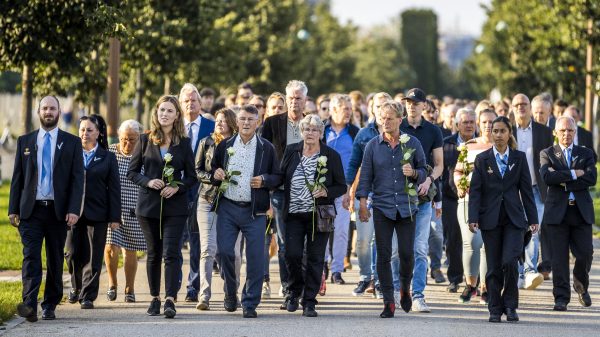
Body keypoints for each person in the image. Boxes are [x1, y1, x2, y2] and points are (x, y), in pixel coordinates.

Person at [9, 95, 84, 322]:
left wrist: (73, 209)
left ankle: (50, 303)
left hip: (57, 211)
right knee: (30, 257)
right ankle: (30, 304)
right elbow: (17, 178)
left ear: (59, 112)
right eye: (45, 108)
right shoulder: (25, 141)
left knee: (54, 259)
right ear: (38, 112)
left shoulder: (71, 142)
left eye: (52, 108)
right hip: (30, 211)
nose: (48, 112)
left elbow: (77, 179)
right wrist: (13, 209)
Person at [128, 95, 196, 318]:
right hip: (148, 207)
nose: (164, 114)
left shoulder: (184, 143)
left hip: (175, 207)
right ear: (156, 114)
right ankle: (155, 297)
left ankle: (170, 299)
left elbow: (192, 177)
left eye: (169, 111)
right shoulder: (145, 139)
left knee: (171, 253)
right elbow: (132, 172)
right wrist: (148, 181)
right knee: (154, 253)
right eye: (161, 110)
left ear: (177, 115)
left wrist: (177, 187)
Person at [211, 104, 282, 318]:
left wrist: (264, 180)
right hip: (228, 207)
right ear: (237, 121)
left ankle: (250, 303)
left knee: (255, 258)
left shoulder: (266, 148)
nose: (246, 122)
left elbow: (277, 177)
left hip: (254, 211)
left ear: (258, 122)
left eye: (251, 119)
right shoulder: (225, 145)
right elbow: (213, 168)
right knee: (223, 252)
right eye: (242, 118)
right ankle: (230, 292)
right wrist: (217, 173)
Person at [357, 101, 427, 318]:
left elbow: (425, 170)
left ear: (400, 119)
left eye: (389, 118)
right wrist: (361, 203)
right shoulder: (372, 146)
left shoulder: (412, 143)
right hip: (382, 207)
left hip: (407, 207)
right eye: (382, 118)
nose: (385, 122)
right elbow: (366, 176)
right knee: (383, 255)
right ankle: (388, 301)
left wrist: (414, 173)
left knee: (407, 254)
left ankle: (405, 288)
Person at [468, 116, 538, 323]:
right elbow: (476, 192)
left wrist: (532, 218)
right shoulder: (482, 159)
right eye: (495, 131)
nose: (498, 135)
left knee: (510, 262)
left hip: (514, 220)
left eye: (502, 131)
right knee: (494, 266)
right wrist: (473, 217)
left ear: (509, 134)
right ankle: (494, 308)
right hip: (490, 219)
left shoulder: (519, 158)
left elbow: (526, 191)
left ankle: (511, 305)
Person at [280, 114, 346, 317]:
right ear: (301, 132)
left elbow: (341, 185)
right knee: (292, 255)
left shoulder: (330, 155)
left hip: (319, 215)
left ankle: (309, 301)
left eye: (314, 130)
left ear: (320, 133)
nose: (310, 133)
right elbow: (281, 176)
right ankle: (293, 292)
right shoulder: (292, 151)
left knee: (316, 258)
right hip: (293, 214)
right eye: (306, 129)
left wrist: (326, 191)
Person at [540, 116, 596, 311]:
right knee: (559, 258)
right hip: (557, 213)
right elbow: (547, 177)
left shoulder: (586, 153)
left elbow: (591, 178)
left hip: (580, 212)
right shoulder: (547, 153)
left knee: (585, 253)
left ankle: (581, 286)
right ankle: (561, 297)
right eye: (562, 130)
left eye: (570, 130)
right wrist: (574, 173)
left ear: (575, 132)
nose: (566, 134)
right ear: (556, 132)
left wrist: (561, 178)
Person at [66, 114, 120, 309]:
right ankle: (76, 285)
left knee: (93, 255)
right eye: (82, 130)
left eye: (89, 130)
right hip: (72, 212)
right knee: (72, 253)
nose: (85, 134)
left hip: (98, 213)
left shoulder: (108, 157)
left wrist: (115, 216)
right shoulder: (71, 153)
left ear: (98, 133)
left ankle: (87, 295)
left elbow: (114, 188)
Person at [397, 88, 443, 313]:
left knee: (420, 248)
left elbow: (439, 163)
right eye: (408, 102)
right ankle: (397, 292)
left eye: (416, 102)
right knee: (397, 249)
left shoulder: (433, 130)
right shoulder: (398, 126)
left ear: (424, 105)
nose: (411, 106)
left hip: (423, 197)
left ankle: (418, 295)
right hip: (398, 197)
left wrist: (429, 180)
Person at [261, 80, 308, 300]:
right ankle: (287, 286)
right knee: (283, 242)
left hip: (306, 192)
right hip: (278, 191)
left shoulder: (312, 123)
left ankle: (302, 285)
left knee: (304, 242)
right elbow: (263, 156)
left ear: (305, 100)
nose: (294, 102)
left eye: (298, 98)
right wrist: (266, 194)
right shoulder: (272, 123)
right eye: (290, 98)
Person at [344, 92, 392, 298]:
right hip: (365, 191)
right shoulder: (364, 134)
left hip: (388, 193)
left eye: (385, 106)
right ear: (372, 109)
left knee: (381, 241)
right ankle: (365, 277)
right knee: (363, 240)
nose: (382, 111)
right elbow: (354, 163)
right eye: (378, 106)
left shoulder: (399, 133)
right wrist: (347, 190)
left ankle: (380, 281)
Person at [193, 107, 238, 310]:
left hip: (233, 202)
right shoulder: (206, 142)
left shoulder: (240, 144)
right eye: (217, 120)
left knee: (233, 253)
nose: (219, 123)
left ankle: (232, 293)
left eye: (223, 120)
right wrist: (212, 177)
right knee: (207, 249)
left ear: (231, 122)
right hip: (208, 199)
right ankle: (204, 296)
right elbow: (198, 170)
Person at [453, 109, 495, 304]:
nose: (488, 126)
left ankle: (486, 287)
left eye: (491, 122)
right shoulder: (469, 146)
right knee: (472, 242)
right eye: (484, 122)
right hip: (469, 199)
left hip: (492, 202)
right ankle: (470, 284)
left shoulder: (502, 146)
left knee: (487, 244)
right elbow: (458, 171)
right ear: (479, 123)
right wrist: (460, 185)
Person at [512, 93, 553, 290]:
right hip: (512, 190)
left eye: (524, 104)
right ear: (512, 108)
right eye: (517, 104)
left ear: (530, 107)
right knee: (516, 231)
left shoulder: (544, 132)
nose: (521, 107)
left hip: (537, 189)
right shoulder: (507, 130)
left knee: (533, 230)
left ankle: (529, 272)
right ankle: (518, 272)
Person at [179, 83, 216, 303]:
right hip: (177, 189)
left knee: (197, 240)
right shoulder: (173, 126)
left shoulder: (211, 127)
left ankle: (193, 285)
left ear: (200, 103)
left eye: (194, 100)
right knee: (173, 241)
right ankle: (172, 287)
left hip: (202, 190)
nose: (190, 104)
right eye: (186, 100)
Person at [104, 120, 147, 304]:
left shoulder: (145, 154)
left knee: (130, 250)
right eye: (124, 139)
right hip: (113, 207)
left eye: (132, 139)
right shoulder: (110, 152)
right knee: (110, 248)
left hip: (135, 208)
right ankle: (112, 284)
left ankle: (129, 288)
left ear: (139, 138)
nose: (127, 144)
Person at [323, 94, 359, 285]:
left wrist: (352, 189)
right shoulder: (322, 129)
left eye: (350, 108)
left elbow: (360, 162)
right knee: (321, 229)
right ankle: (322, 265)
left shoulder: (354, 132)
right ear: (334, 110)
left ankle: (337, 270)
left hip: (344, 189)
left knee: (342, 231)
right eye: (345, 108)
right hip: (322, 189)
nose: (349, 112)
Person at [441, 107, 477, 294]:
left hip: (476, 199)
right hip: (450, 198)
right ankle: (454, 278)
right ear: (457, 125)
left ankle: (473, 280)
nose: (469, 125)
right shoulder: (446, 143)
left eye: (472, 122)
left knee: (474, 240)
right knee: (453, 239)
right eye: (465, 122)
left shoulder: (481, 143)